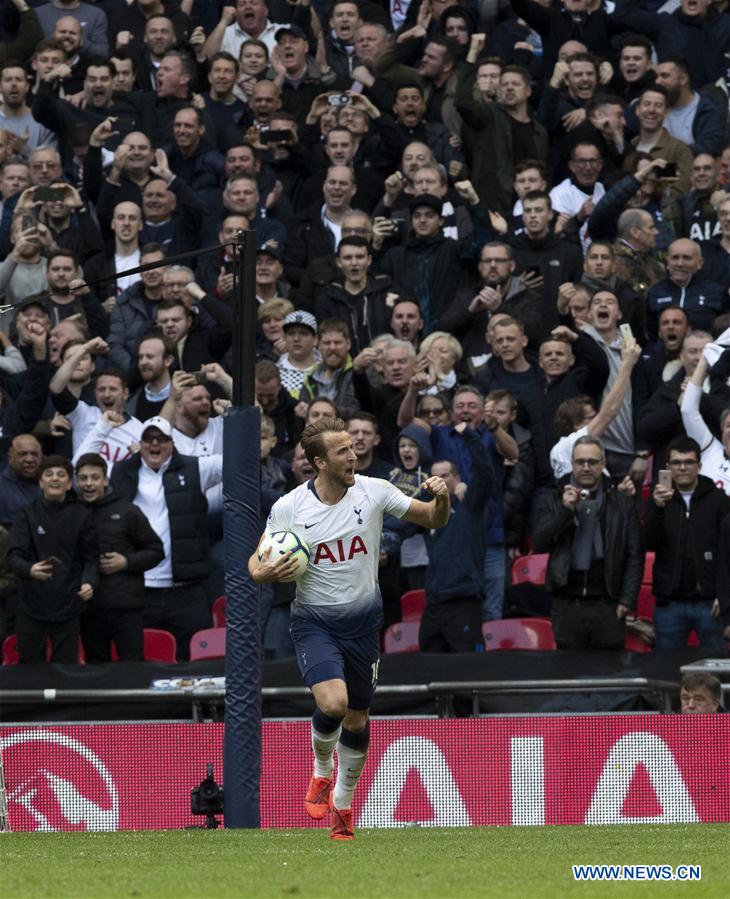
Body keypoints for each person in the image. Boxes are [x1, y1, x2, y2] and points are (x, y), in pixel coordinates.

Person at [248, 416, 450, 840]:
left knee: (357, 722)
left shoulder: (374, 491)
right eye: (342, 450)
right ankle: (321, 770)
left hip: (363, 626)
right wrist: (264, 573)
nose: (353, 454)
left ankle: (342, 803)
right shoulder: (289, 507)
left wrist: (442, 498)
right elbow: (256, 561)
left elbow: (433, 520)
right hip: (314, 623)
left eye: (353, 447)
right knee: (335, 704)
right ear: (319, 461)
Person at [532, 435, 643, 650]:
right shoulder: (555, 498)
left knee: (611, 674)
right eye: (580, 462)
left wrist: (627, 600)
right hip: (567, 604)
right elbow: (539, 543)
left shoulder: (620, 502)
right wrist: (565, 510)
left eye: (592, 462)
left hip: (608, 604)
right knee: (567, 675)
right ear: (572, 463)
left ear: (603, 464)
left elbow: (634, 556)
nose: (585, 467)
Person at [7, 454, 98, 663]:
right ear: (41, 482)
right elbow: (14, 556)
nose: (54, 479)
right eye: (48, 474)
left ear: (69, 484)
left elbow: (91, 558)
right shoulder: (26, 515)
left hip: (69, 606)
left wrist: (89, 582)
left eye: (60, 475)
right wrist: (29, 569)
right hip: (31, 607)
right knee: (30, 671)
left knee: (66, 673)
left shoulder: (82, 515)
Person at [75, 452, 164, 662]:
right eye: (83, 478)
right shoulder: (71, 512)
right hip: (88, 610)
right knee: (96, 673)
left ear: (105, 480)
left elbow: (156, 551)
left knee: (132, 669)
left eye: (94, 478)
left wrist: (126, 562)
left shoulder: (127, 511)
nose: (89, 484)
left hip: (126, 608)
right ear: (76, 480)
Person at [644, 435, 730, 651]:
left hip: (711, 604)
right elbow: (647, 543)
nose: (682, 468)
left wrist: (725, 596)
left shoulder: (719, 500)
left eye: (689, 462)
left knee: (717, 673)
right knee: (666, 675)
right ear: (668, 467)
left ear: (699, 465)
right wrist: (657, 509)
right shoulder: (658, 502)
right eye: (676, 463)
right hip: (669, 604)